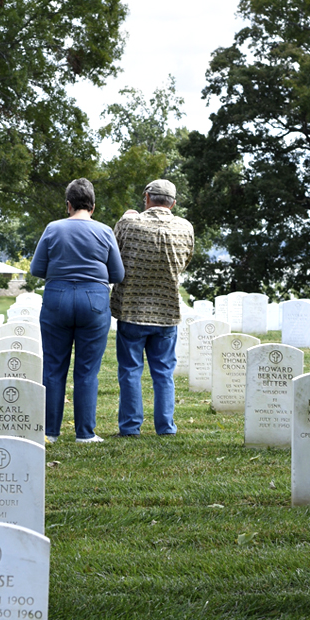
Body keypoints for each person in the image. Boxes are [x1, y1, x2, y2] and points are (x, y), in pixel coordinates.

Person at [30, 178, 125, 443]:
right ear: (93, 207)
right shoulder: (105, 231)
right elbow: (117, 274)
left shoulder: (53, 228)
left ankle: (50, 432)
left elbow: (37, 269)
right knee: (87, 370)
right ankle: (85, 433)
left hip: (57, 297)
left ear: (68, 205)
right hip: (94, 299)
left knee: (53, 367)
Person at [110, 178, 194, 436]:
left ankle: (130, 427)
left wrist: (124, 217)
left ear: (146, 198)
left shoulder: (128, 223)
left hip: (132, 309)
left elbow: (113, 253)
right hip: (167, 309)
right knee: (164, 373)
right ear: (174, 203)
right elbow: (185, 262)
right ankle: (166, 427)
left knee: (130, 371)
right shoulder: (185, 227)